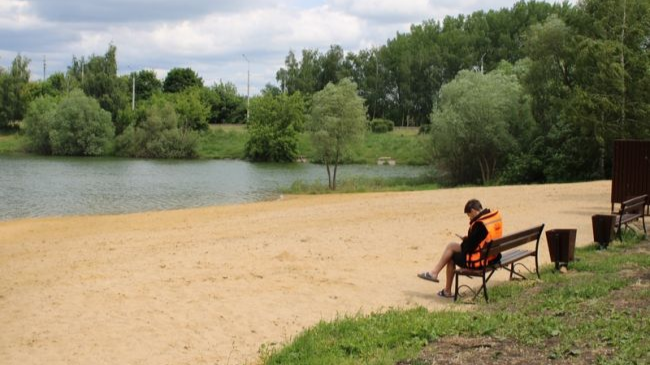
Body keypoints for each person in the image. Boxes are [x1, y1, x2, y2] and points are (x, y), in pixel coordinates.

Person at [417, 199, 503, 298]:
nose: (469, 218)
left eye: (468, 215)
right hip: (493, 257)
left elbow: (469, 248)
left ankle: (444, 287)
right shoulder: (491, 217)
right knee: (451, 246)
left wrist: (465, 240)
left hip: (481, 261)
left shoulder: (479, 224)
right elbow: (481, 239)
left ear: (473, 211)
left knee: (451, 256)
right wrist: (468, 239)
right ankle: (434, 273)